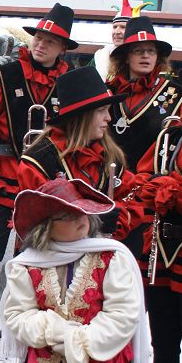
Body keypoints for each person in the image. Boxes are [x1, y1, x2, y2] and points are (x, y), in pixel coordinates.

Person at [1, 177, 146, 363]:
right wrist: (53, 332)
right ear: (45, 226)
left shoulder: (112, 256)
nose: (80, 220)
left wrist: (79, 340)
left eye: (82, 211)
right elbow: (17, 314)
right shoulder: (27, 265)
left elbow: (123, 314)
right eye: (67, 216)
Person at [0, 3, 76, 353]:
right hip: (3, 176)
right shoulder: (3, 74)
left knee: (34, 257)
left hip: (44, 182)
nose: (41, 44)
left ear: (62, 48)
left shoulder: (68, 84)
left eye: (51, 41)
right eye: (39, 37)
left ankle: (26, 326)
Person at [19, 66, 143, 241]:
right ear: (82, 116)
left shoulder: (110, 156)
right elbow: (36, 219)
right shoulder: (40, 158)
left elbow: (130, 199)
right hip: (50, 256)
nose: (109, 118)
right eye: (101, 111)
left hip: (96, 256)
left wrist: (117, 216)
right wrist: (96, 221)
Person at [133, 86, 182, 363]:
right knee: (164, 341)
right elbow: (141, 178)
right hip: (162, 252)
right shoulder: (170, 134)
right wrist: (156, 187)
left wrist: (181, 196)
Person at [106, 16, 182, 165]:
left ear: (158, 57)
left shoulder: (175, 93)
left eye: (151, 51)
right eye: (138, 51)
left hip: (151, 180)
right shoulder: (109, 90)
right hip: (108, 175)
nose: (145, 55)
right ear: (126, 57)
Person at [92, 0, 150, 80]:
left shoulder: (147, 60)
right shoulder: (100, 57)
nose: (117, 31)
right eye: (115, 27)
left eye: (123, 27)